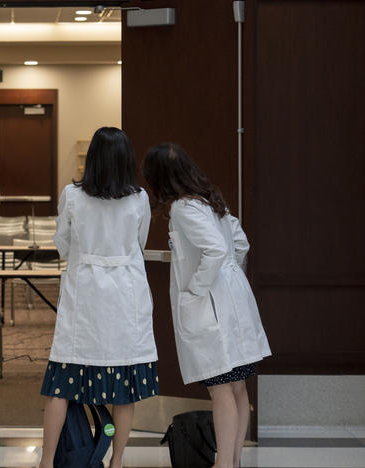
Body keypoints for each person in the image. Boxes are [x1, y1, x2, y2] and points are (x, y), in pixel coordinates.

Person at [142, 142, 271, 468]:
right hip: (231, 300)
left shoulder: (184, 208)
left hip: (211, 305)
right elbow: (239, 244)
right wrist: (229, 281)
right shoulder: (211, 201)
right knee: (238, 386)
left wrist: (195, 289)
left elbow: (214, 250)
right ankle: (234, 460)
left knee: (221, 388)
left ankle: (223, 463)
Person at [38, 127, 158, 468]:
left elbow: (62, 243)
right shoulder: (139, 199)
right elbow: (141, 243)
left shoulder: (72, 196)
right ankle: (117, 461)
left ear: (92, 158)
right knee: (124, 387)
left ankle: (47, 463)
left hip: (85, 295)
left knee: (62, 383)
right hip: (126, 297)